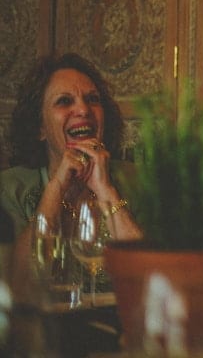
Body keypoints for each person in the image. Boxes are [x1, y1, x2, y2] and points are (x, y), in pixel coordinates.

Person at [0, 53, 142, 297]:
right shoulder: (10, 188)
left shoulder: (138, 180)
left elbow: (151, 275)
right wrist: (56, 188)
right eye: (64, 101)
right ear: (40, 128)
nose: (83, 109)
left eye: (92, 99)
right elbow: (19, 282)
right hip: (45, 331)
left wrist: (105, 189)